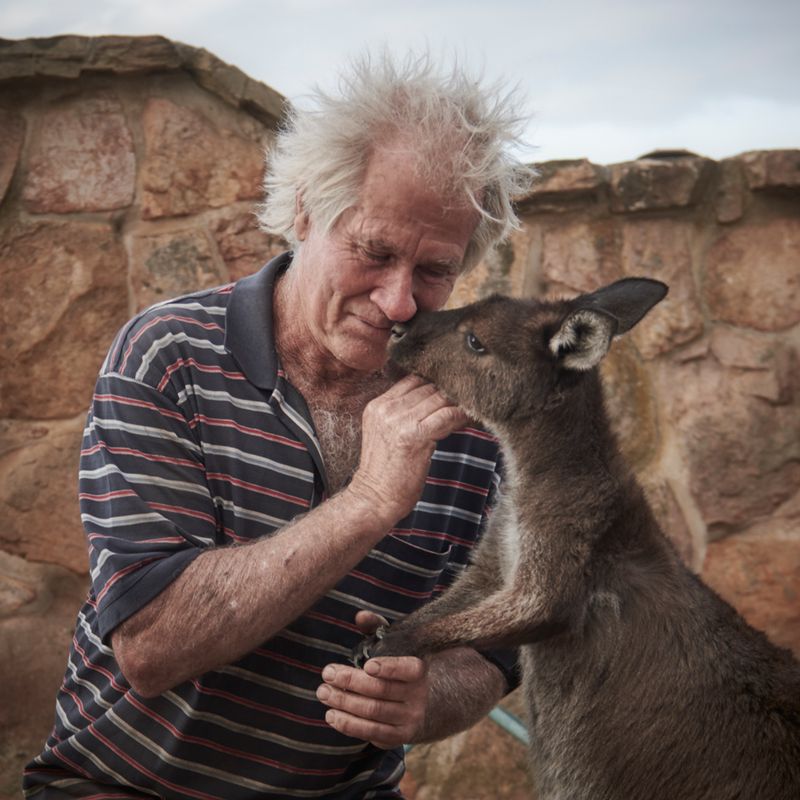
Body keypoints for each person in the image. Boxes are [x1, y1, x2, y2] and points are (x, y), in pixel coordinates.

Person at [24, 52, 535, 798]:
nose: (399, 302)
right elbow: (153, 646)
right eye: (375, 251)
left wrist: (430, 698)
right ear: (304, 210)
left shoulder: (475, 419)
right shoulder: (168, 355)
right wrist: (370, 501)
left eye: (434, 270)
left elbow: (496, 644)